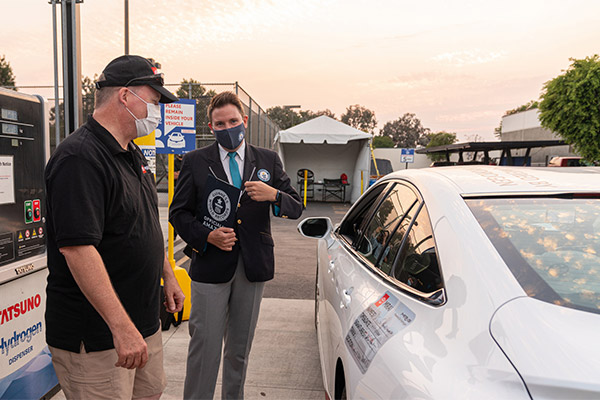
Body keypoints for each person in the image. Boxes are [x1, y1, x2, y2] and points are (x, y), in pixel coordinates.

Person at [44, 55, 185, 400]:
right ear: (125, 96)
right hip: (99, 338)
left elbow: (145, 224)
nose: (157, 111)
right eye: (153, 101)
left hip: (142, 325)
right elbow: (78, 249)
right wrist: (121, 328)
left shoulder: (130, 153)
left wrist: (167, 273)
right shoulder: (80, 158)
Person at [169, 91, 303, 399]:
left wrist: (274, 196)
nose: (227, 127)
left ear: (243, 120)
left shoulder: (267, 159)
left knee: (239, 351)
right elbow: (179, 213)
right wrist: (206, 236)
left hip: (252, 266)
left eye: (232, 120)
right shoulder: (195, 161)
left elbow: (296, 206)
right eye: (219, 123)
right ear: (211, 126)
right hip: (210, 266)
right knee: (204, 349)